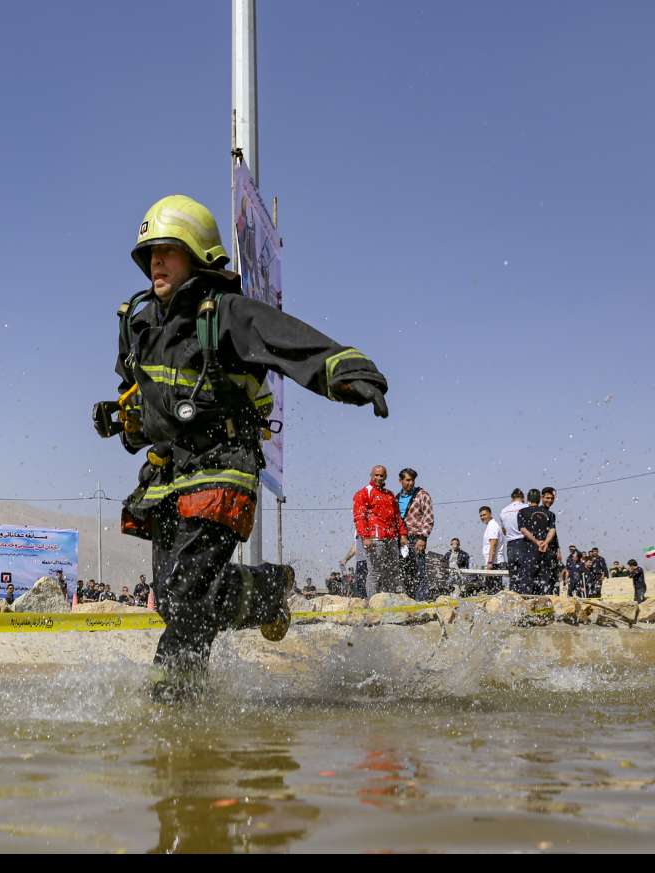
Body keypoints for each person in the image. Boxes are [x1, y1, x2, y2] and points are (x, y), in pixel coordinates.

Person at [93, 194, 390, 701]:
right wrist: (124, 417)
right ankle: (267, 590)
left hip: (223, 469)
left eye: (168, 250)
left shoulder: (225, 312)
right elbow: (147, 400)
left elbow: (287, 339)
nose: (156, 262)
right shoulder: (141, 327)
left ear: (199, 255)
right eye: (150, 255)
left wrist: (342, 368)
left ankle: (173, 705)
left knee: (187, 597)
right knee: (174, 597)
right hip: (167, 476)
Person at [354, 466, 408, 596]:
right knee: (375, 572)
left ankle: (389, 600)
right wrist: (365, 536)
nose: (379, 478)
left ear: (385, 477)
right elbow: (359, 517)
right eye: (376, 475)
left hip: (391, 538)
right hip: (375, 539)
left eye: (381, 475)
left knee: (393, 571)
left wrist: (403, 534)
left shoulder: (389, 495)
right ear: (371, 475)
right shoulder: (364, 493)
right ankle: (373, 602)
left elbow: (397, 517)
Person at [396, 468, 435, 600]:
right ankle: (409, 599)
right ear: (400, 481)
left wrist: (422, 538)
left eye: (412, 480)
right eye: (407, 480)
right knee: (404, 572)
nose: (411, 483)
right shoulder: (396, 498)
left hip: (416, 538)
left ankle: (421, 601)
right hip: (401, 540)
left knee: (419, 570)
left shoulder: (422, 495)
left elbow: (428, 517)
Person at [516, 489, 557, 595]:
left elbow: (523, 530)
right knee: (544, 579)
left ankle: (528, 605)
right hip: (545, 550)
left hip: (529, 550)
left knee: (527, 580)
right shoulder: (549, 513)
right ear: (540, 499)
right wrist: (545, 542)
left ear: (528, 499)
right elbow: (552, 530)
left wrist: (536, 542)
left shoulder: (522, 512)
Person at [500, 489, 530, 594]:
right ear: (523, 497)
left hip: (510, 544)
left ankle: (513, 599)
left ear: (511, 498)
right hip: (523, 542)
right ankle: (525, 599)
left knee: (513, 576)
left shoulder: (503, 511)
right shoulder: (526, 507)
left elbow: (504, 530)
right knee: (525, 574)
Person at [340, 533, 369, 598]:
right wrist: (346, 559)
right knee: (360, 586)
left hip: (367, 560)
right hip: (360, 561)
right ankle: (364, 602)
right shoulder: (357, 529)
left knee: (369, 585)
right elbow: (355, 546)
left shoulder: (364, 524)